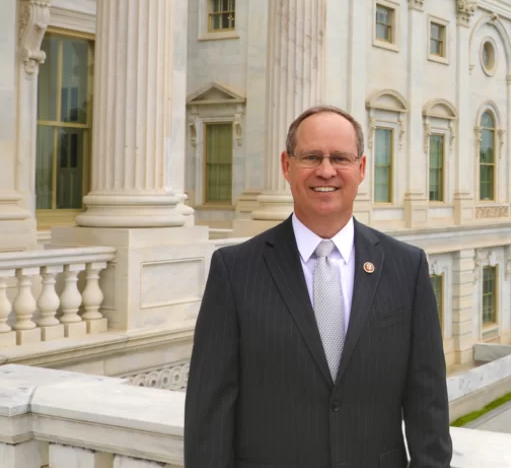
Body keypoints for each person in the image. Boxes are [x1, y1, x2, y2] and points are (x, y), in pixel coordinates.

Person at [184, 106, 452, 468]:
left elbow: (428, 406)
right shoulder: (235, 271)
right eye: (311, 157)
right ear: (286, 165)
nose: (326, 170)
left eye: (340, 158)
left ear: (361, 168)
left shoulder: (407, 268)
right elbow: (209, 412)